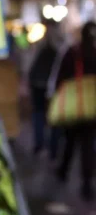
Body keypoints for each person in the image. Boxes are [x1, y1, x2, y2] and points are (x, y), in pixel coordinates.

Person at [51, 21, 96, 200]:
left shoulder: (72, 52)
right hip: (92, 107)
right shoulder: (93, 52)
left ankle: (63, 171)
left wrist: (56, 96)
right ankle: (86, 182)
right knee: (87, 144)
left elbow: (59, 77)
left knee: (69, 141)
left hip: (73, 105)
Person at [28, 20, 60, 158]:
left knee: (42, 115)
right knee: (48, 116)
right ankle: (48, 147)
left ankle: (43, 145)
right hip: (46, 87)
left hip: (41, 86)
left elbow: (31, 67)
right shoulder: (57, 47)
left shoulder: (41, 45)